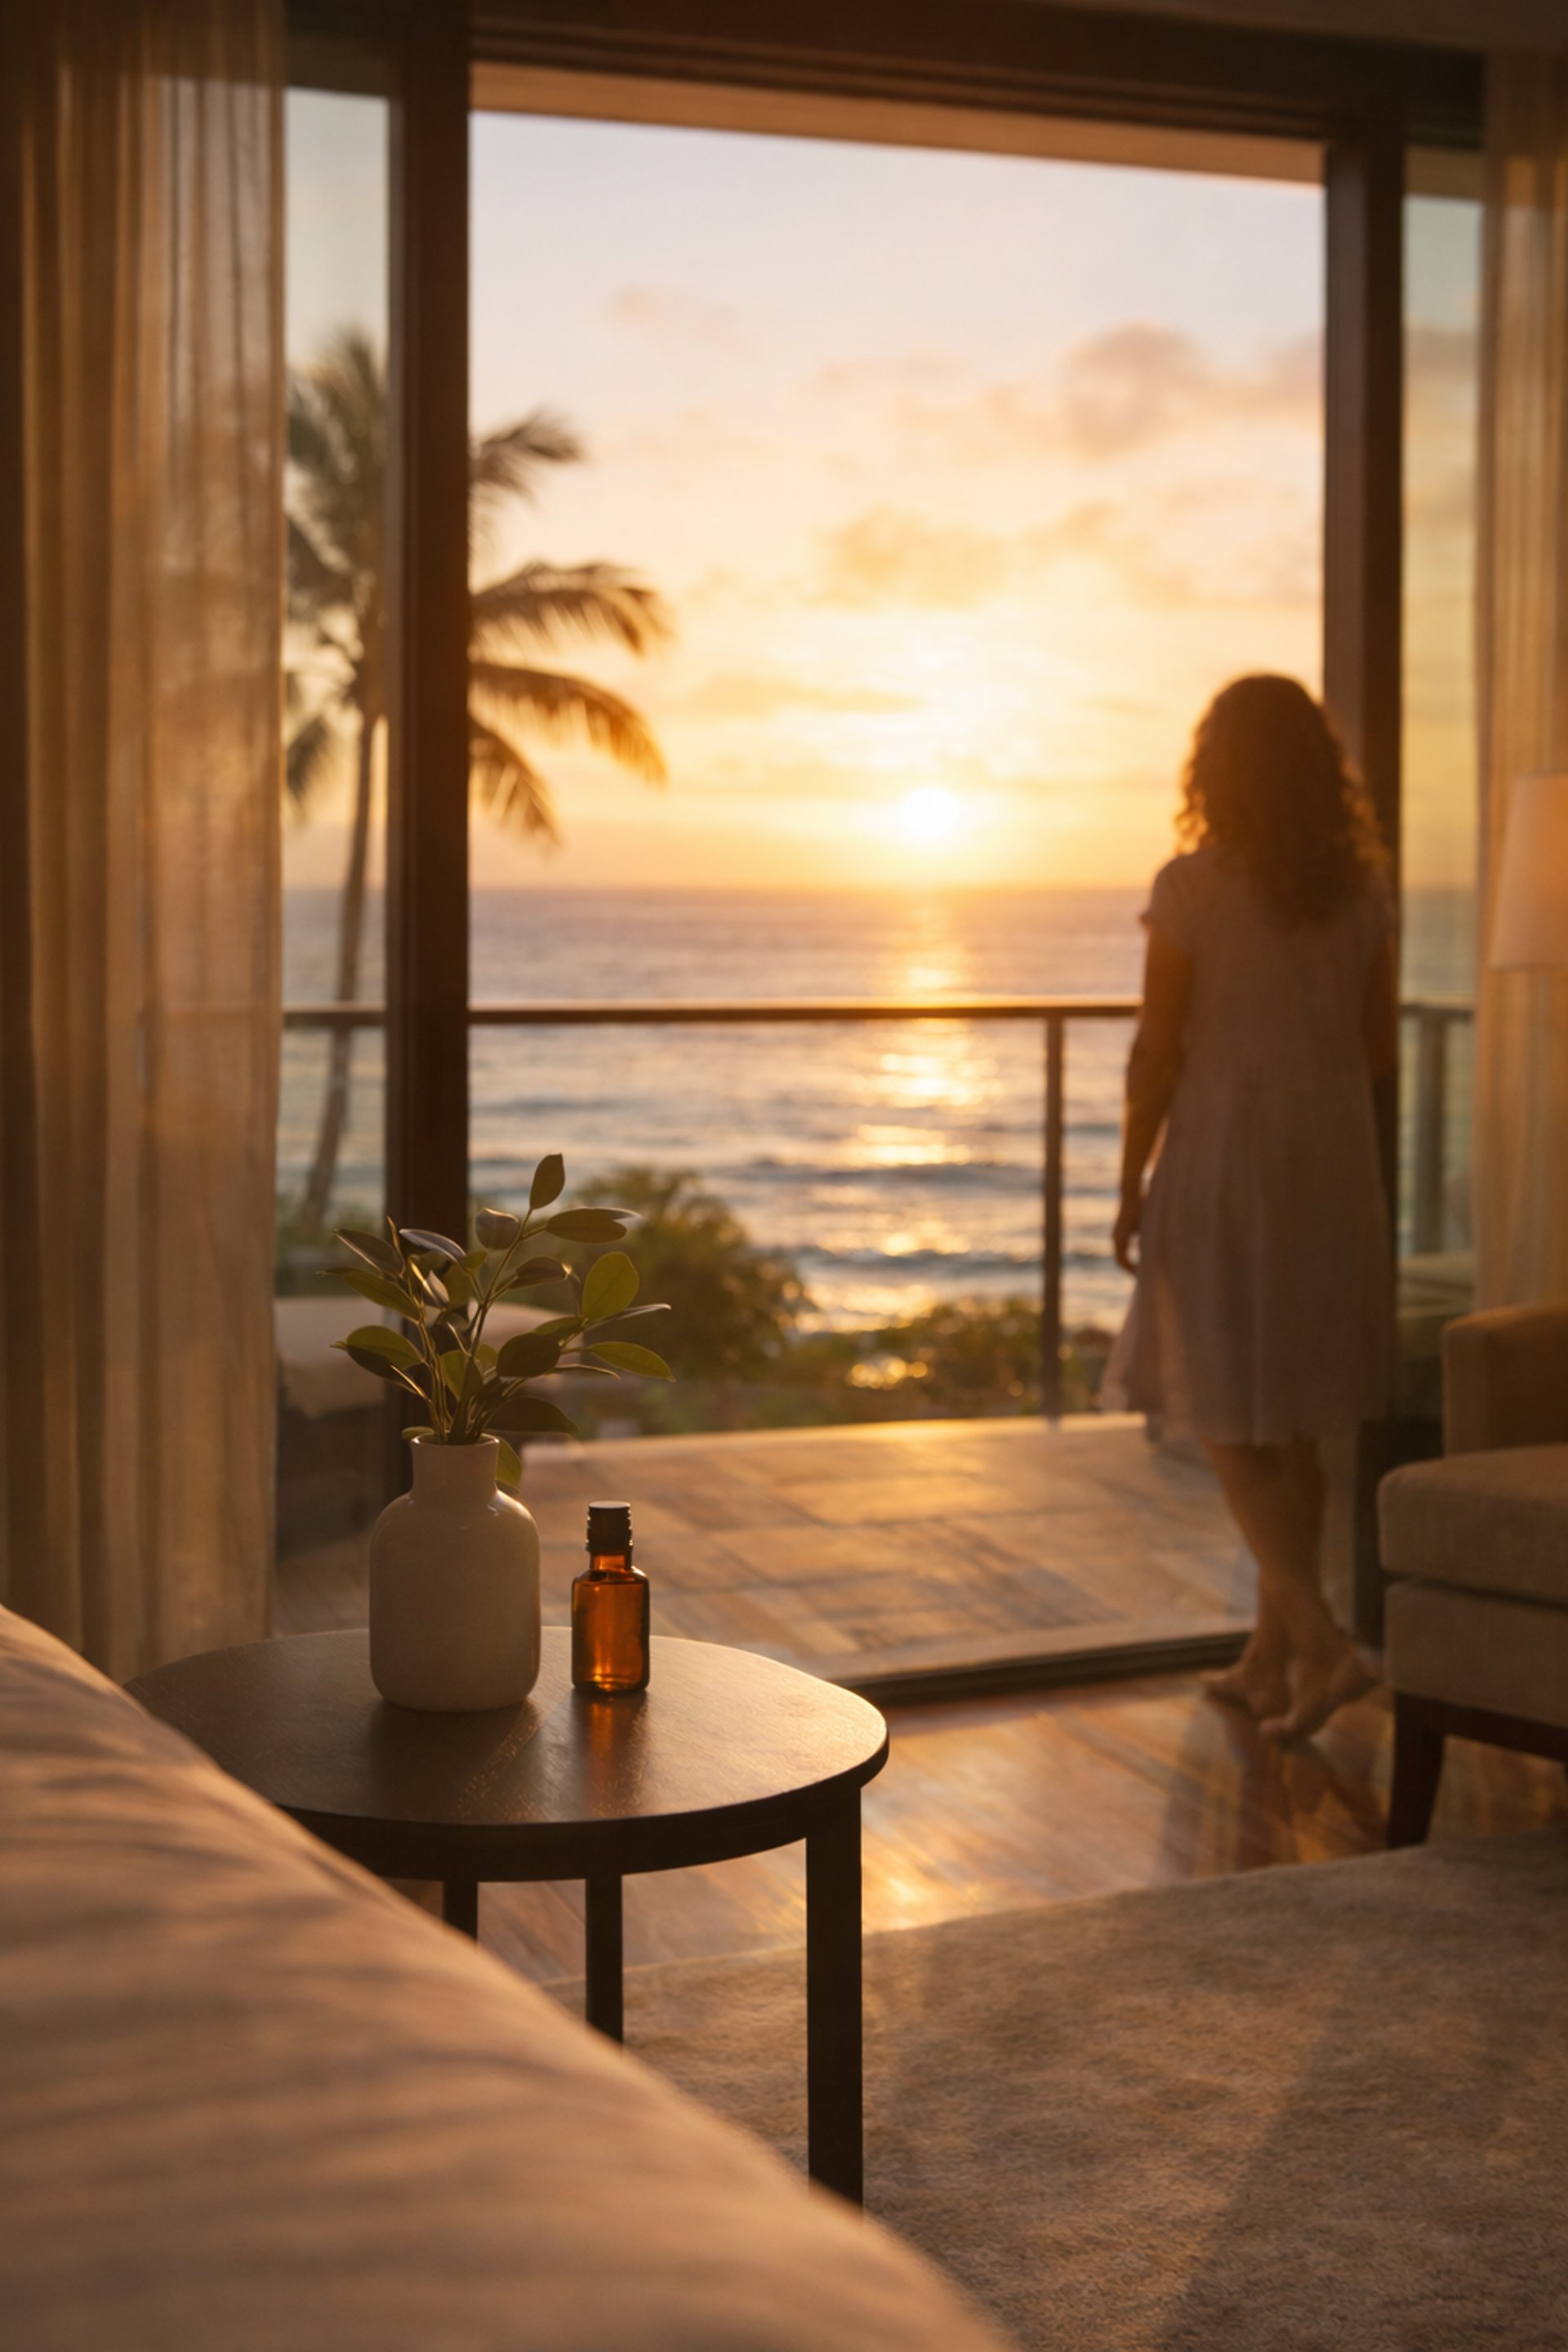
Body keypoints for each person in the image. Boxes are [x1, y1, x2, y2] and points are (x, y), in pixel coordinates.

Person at [1105, 675, 1397, 1742]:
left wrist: (1130, 1177)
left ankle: (1322, 1647)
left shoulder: (1190, 887)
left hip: (1229, 1153)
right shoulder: (1362, 894)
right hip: (1332, 1158)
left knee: (1227, 1406)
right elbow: (1376, 1051)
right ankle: (1271, 1657)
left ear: (1212, 769)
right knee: (1299, 1412)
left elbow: (1155, 1051)